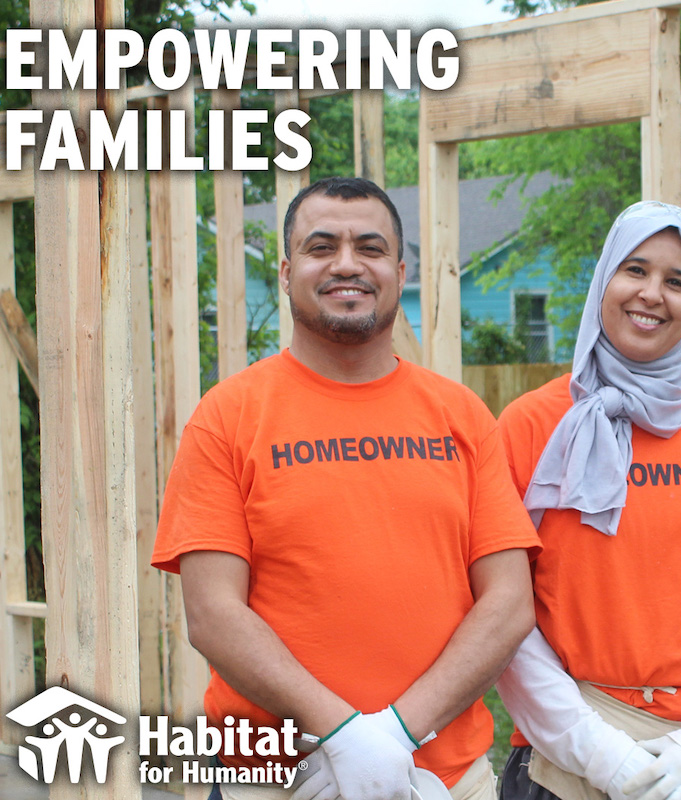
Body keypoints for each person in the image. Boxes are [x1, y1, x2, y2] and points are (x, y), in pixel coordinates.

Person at [152, 176, 541, 800]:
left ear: (400, 269)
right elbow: (213, 615)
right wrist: (339, 733)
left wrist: (393, 734)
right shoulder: (227, 417)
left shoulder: (461, 416)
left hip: (440, 779)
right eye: (321, 246)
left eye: (370, 246)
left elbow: (509, 602)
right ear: (285, 271)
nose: (347, 264)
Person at [495, 200, 681, 800]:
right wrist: (601, 756)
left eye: (677, 281)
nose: (652, 294)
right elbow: (498, 609)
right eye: (635, 270)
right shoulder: (530, 425)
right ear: (604, 279)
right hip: (574, 743)